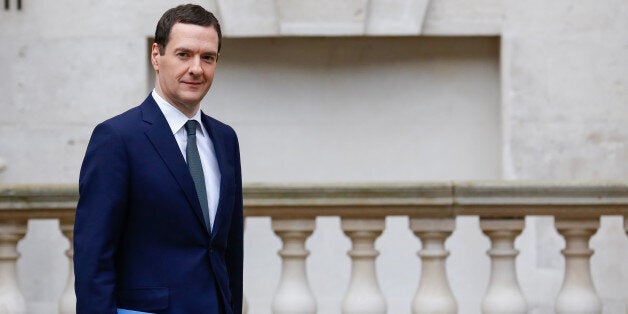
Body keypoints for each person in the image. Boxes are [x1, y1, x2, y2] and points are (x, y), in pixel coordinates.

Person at [74, 4, 243, 314]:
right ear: (156, 55)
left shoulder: (225, 139)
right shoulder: (117, 138)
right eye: (184, 54)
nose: (196, 68)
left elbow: (230, 249)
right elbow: (93, 255)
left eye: (208, 57)